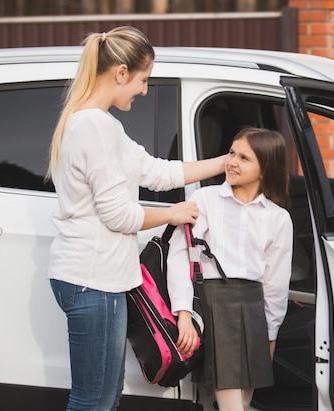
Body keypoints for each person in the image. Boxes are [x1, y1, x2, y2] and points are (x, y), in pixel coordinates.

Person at [45, 26, 227, 411]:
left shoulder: (104, 125)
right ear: (121, 72)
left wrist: (225, 163)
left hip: (99, 279)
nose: (144, 90)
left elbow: (158, 172)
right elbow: (117, 215)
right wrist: (172, 213)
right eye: (143, 80)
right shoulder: (92, 126)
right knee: (93, 400)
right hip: (91, 281)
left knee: (105, 397)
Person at [167, 127, 294, 411]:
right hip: (215, 305)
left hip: (253, 308)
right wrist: (183, 314)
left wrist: (270, 334)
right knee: (232, 405)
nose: (233, 162)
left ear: (266, 168)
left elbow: (275, 283)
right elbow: (179, 258)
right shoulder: (206, 200)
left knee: (242, 402)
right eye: (232, 153)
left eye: (245, 158)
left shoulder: (278, 218)